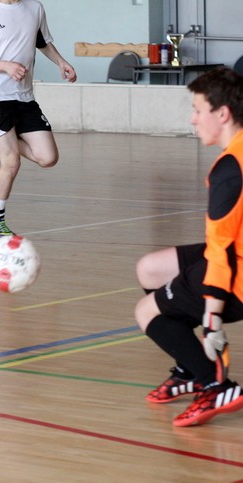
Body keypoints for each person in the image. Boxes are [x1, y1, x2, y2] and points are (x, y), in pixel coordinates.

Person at [134, 67, 243, 427]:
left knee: (146, 312)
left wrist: (212, 319)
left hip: (236, 271)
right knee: (150, 269)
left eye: (198, 110)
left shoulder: (229, 170)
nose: (193, 119)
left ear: (222, 113)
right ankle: (189, 367)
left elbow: (221, 253)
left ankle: (216, 385)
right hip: (235, 252)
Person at [0, 0, 76, 237]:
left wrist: (61, 62)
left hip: (24, 96)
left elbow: (42, 42)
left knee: (48, 158)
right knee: (11, 161)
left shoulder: (35, 8)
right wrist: (5, 66)